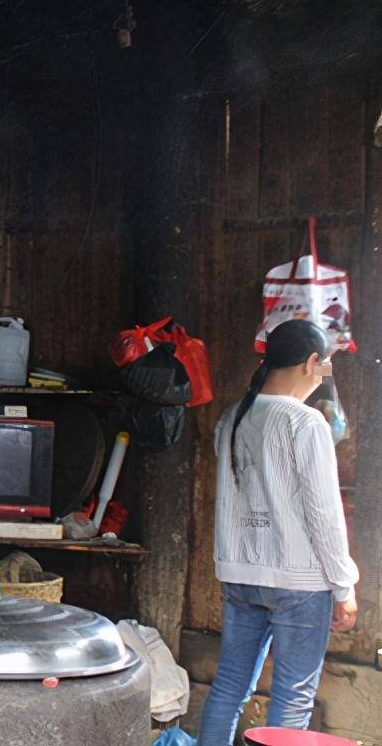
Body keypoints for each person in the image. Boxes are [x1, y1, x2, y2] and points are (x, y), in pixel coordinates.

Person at [198, 319, 359, 744]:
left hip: (240, 575)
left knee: (230, 687)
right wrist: (344, 586)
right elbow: (324, 514)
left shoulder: (232, 417)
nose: (324, 375)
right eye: (323, 367)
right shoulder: (305, 424)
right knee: (292, 698)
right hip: (300, 582)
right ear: (311, 363)